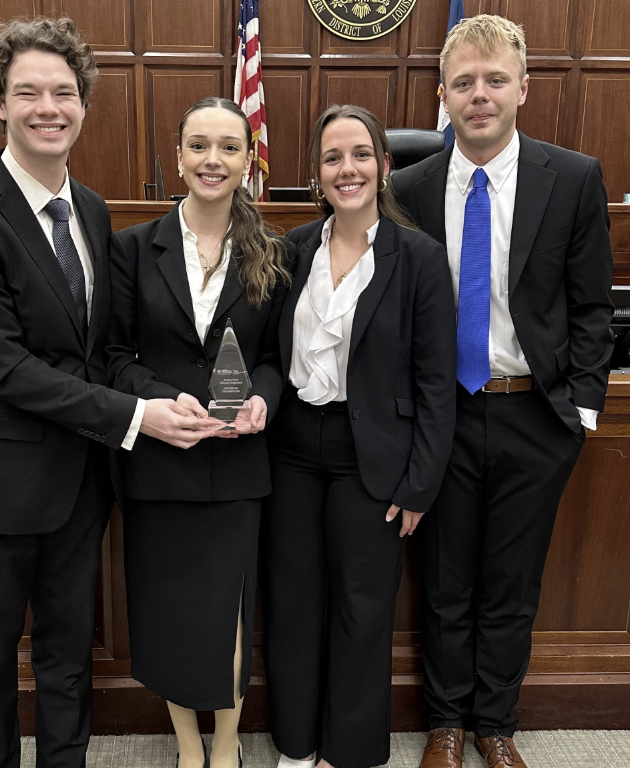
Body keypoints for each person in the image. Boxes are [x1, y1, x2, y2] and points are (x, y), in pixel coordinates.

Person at [0, 17, 212, 768]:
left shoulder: (89, 209)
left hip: (79, 479)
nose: (47, 107)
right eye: (27, 93)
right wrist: (135, 415)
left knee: (66, 655)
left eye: (63, 92)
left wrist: (162, 395)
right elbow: (7, 369)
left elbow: (100, 348)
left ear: (83, 102)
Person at [391, 15, 614, 768]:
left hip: (534, 414)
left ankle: (496, 725)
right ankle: (446, 724)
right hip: (444, 414)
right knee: (446, 581)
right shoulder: (408, 187)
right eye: (464, 83)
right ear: (443, 94)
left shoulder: (574, 177)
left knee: (512, 584)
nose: (479, 95)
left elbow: (591, 308)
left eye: (494, 81)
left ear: (523, 87)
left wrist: (578, 412)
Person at [262, 104, 457, 768]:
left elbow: (436, 381)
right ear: (315, 175)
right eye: (332, 158)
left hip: (369, 456)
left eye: (360, 155)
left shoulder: (420, 259)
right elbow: (264, 353)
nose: (348, 169)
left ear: (384, 165)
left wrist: (421, 483)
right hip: (291, 448)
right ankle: (296, 743)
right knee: (292, 602)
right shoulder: (291, 250)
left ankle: (346, 752)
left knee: (361, 608)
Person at [106, 97, 292, 768]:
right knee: (170, 615)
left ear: (249, 159)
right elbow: (115, 358)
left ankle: (224, 745)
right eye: (199, 146)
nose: (214, 159)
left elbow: (273, 359)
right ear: (179, 157)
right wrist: (162, 398)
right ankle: (188, 746)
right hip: (160, 460)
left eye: (229, 147)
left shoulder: (271, 252)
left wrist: (264, 400)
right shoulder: (130, 248)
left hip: (239, 466)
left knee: (230, 613)